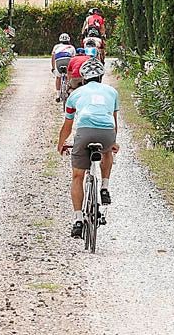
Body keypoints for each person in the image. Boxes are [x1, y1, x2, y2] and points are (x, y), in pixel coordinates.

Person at [57, 58, 119, 239]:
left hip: (84, 133)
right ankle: (105, 187)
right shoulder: (112, 92)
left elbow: (67, 126)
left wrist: (61, 144)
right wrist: (113, 142)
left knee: (78, 176)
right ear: (101, 77)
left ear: (83, 78)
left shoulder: (75, 95)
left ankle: (78, 219)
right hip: (107, 133)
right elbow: (113, 122)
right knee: (107, 151)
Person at [51, 33, 77, 101]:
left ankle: (58, 95)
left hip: (58, 62)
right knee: (69, 76)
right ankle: (69, 89)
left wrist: (53, 68)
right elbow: (73, 59)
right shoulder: (72, 47)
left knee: (58, 77)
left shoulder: (56, 46)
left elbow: (53, 57)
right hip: (68, 61)